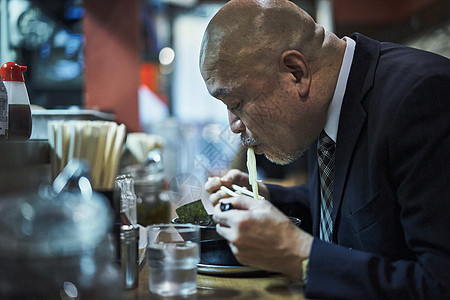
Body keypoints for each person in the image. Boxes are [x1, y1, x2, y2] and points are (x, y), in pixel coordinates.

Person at [199, 0, 450, 299]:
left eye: (236, 104)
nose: (234, 126)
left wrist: (299, 253)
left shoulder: (422, 96)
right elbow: (364, 202)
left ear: (296, 72)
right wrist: (268, 197)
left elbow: (439, 285)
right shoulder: (325, 103)